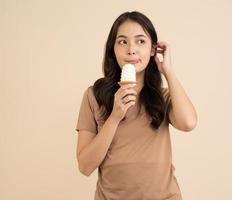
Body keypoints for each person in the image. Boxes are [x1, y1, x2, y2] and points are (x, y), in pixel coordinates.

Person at [75, 11, 197, 200]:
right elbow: (85, 166)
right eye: (123, 41)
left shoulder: (163, 97)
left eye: (140, 41)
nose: (131, 49)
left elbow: (188, 123)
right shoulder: (94, 96)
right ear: (112, 50)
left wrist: (168, 70)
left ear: (152, 50)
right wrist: (115, 116)